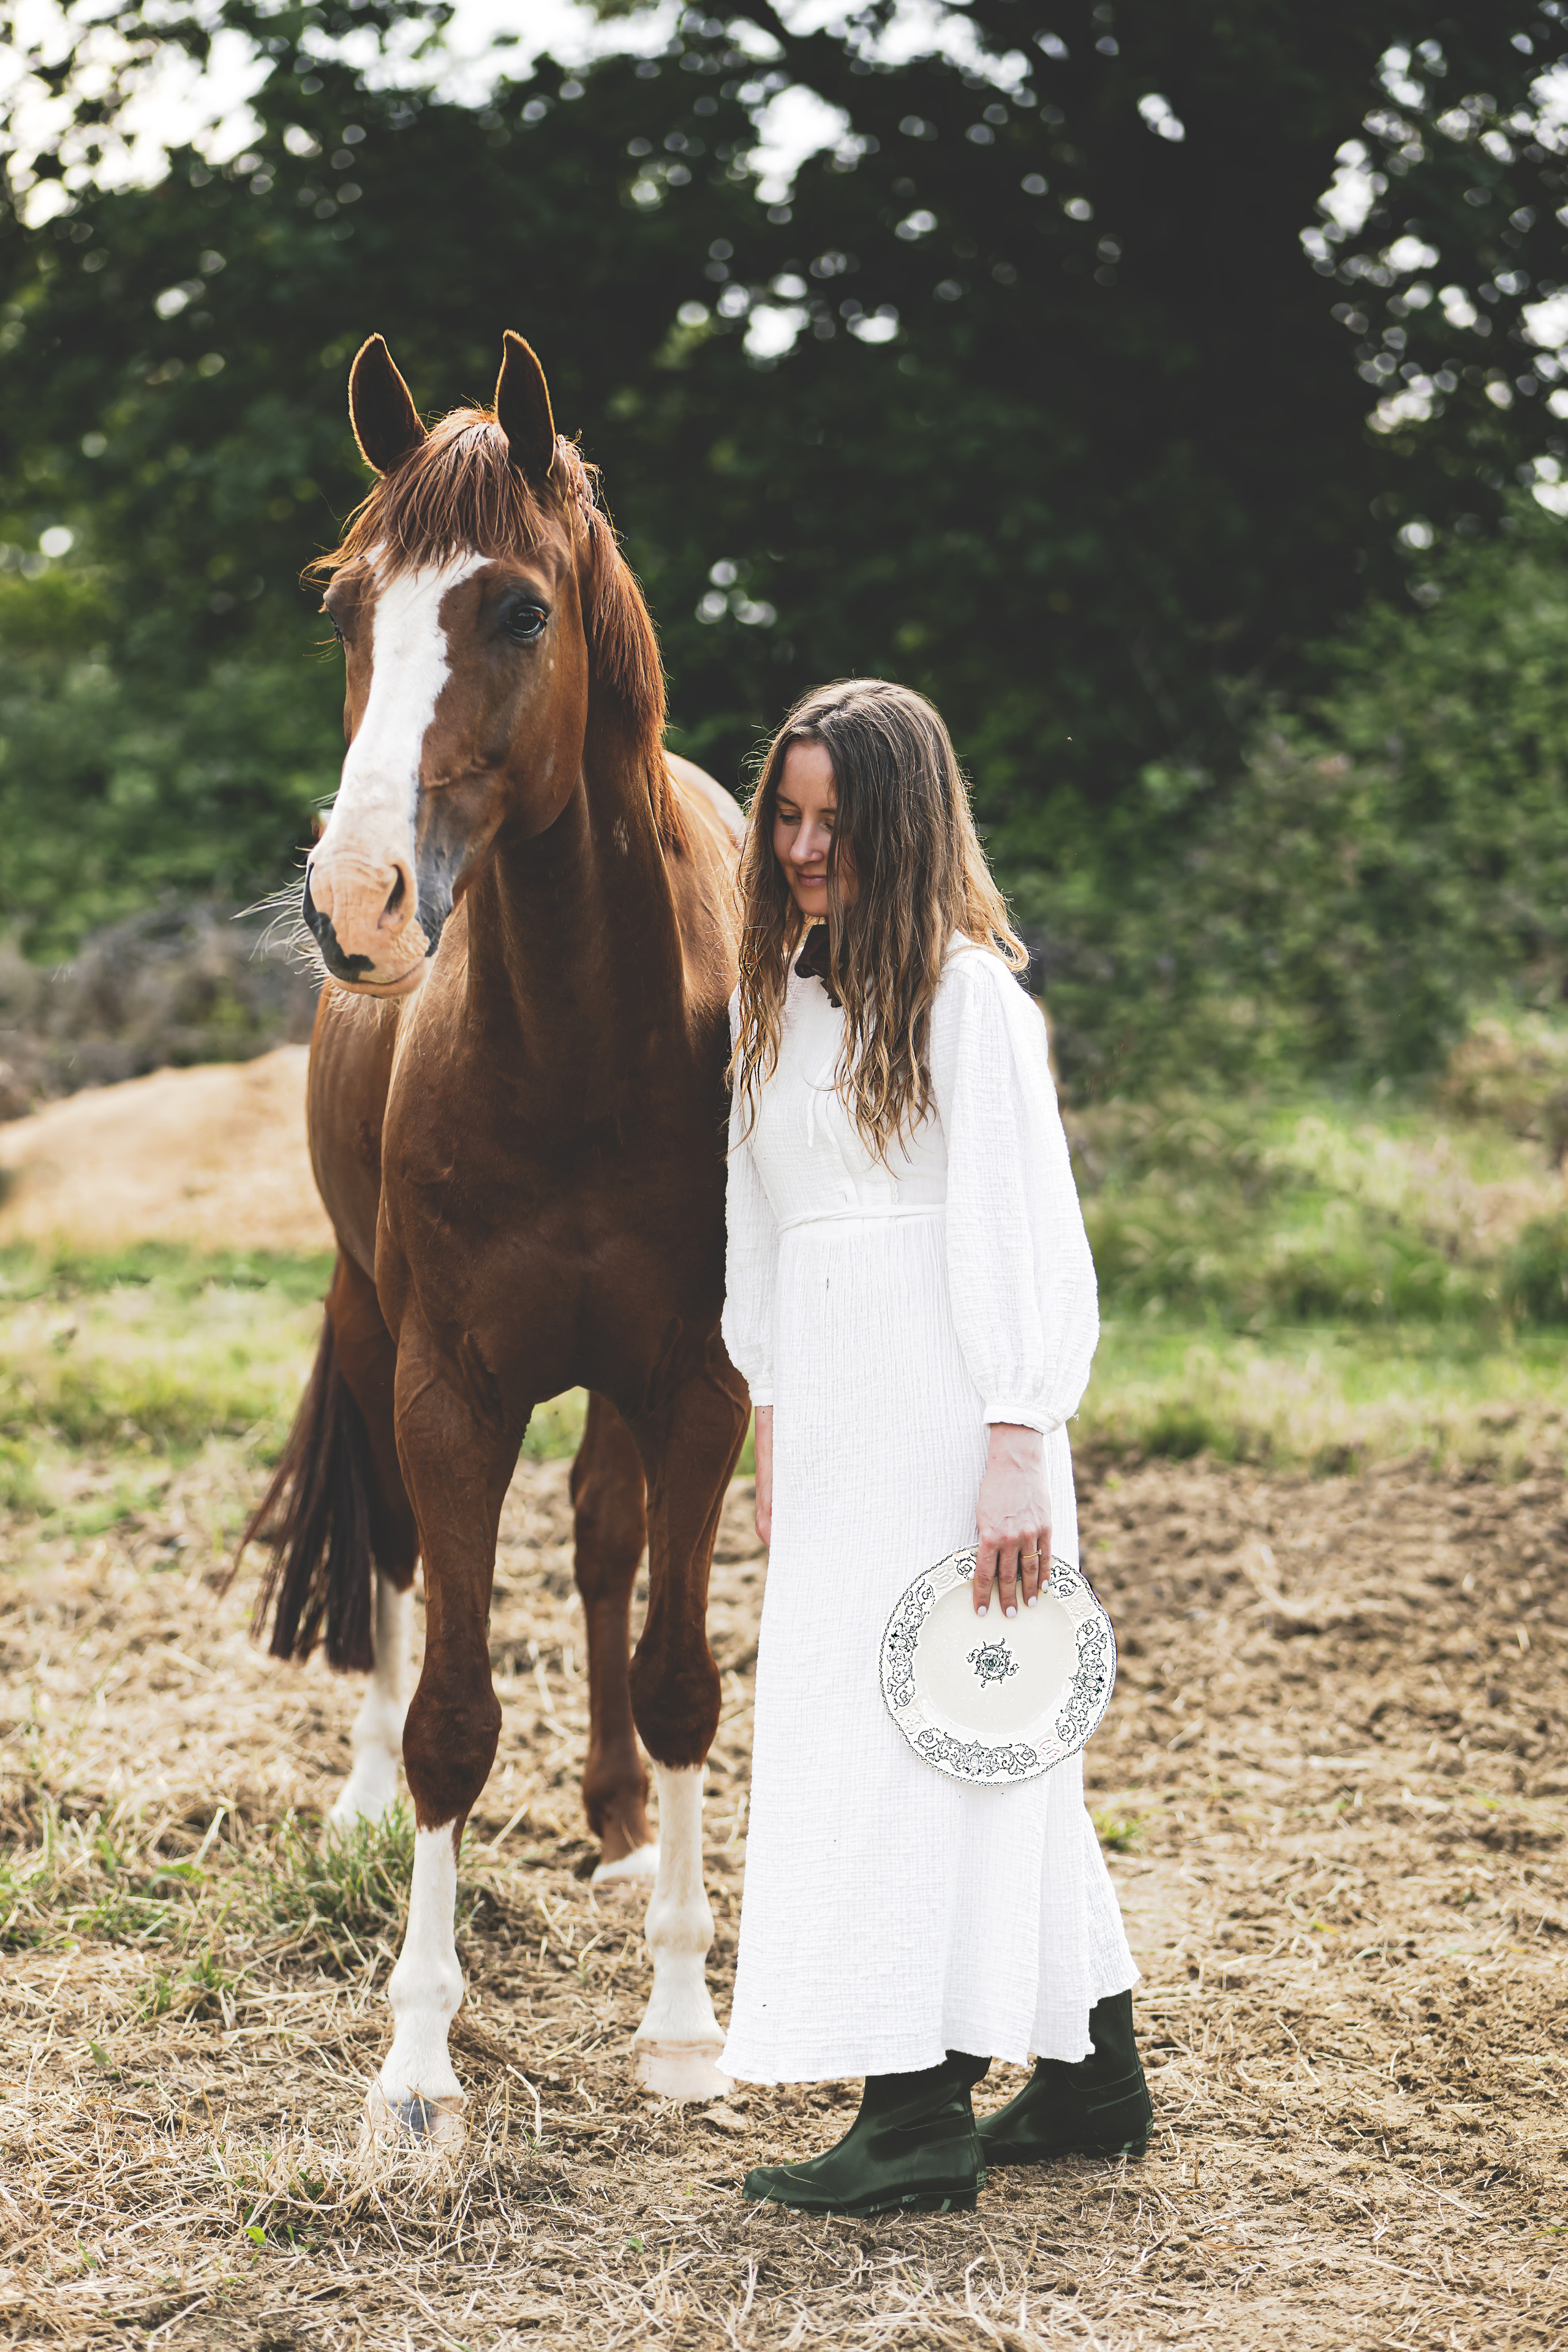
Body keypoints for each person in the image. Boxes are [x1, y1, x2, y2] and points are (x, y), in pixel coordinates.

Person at [720, 678, 1150, 2216]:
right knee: (977, 1728)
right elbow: (758, 1222)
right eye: (786, 813)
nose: (800, 846)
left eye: (836, 822)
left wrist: (1020, 1434)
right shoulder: (773, 994)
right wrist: (768, 1410)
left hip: (953, 1412)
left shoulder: (969, 1002)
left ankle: (911, 2116)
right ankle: (1094, 2071)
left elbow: (1026, 1236)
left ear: (905, 828)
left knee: (926, 1731)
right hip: (834, 1415)